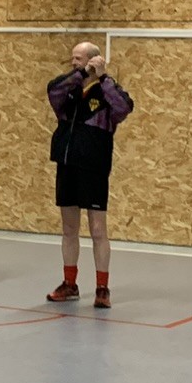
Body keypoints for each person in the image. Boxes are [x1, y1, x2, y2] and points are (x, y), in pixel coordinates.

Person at [46, 43, 133, 309]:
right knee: (69, 228)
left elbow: (124, 107)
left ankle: (102, 288)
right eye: (72, 58)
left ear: (94, 59)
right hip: (67, 164)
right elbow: (53, 89)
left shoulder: (107, 93)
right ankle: (69, 283)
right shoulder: (67, 90)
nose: (74, 63)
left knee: (97, 230)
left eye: (79, 58)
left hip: (93, 168)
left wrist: (103, 76)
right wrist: (82, 74)